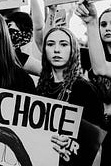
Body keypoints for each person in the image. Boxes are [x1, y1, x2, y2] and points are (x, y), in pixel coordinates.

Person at [76, 0, 111, 166]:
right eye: (103, 24)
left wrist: (92, 23)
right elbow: (47, 48)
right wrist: (51, 10)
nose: (107, 27)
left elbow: (101, 68)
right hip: (98, 132)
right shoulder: (87, 57)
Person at [37, 27, 104, 165]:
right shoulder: (41, 87)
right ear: (44, 51)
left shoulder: (85, 89)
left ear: (73, 49)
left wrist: (72, 143)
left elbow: (96, 142)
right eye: (50, 44)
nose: (56, 50)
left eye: (63, 44)